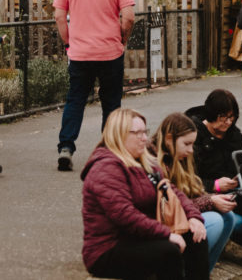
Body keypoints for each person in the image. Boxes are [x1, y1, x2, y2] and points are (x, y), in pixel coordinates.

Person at [81, 108, 209, 279]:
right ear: (119, 134)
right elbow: (125, 215)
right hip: (109, 248)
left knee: (196, 237)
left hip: (138, 238)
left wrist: (193, 216)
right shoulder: (106, 168)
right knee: (168, 252)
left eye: (145, 132)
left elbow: (171, 190)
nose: (145, 138)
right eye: (138, 133)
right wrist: (166, 234)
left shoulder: (144, 160)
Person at [55, 0, 135, 172]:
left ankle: (66, 147)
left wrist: (68, 42)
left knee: (75, 100)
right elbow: (128, 16)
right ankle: (109, 152)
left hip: (80, 53)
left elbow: (60, 15)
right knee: (111, 102)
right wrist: (123, 39)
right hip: (110, 51)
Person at [155, 113, 242, 274]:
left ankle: (202, 271)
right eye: (187, 144)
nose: (190, 150)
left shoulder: (181, 157)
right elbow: (172, 203)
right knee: (216, 220)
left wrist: (213, 197)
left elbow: (191, 191)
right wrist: (211, 199)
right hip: (166, 221)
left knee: (229, 217)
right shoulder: (155, 164)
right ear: (169, 139)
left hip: (184, 213)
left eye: (192, 144)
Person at [185, 90, 242, 198]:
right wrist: (214, 185)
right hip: (204, 195)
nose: (228, 122)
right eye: (223, 117)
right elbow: (185, 179)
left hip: (236, 192)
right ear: (211, 114)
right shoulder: (193, 137)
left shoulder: (235, 136)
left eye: (231, 117)